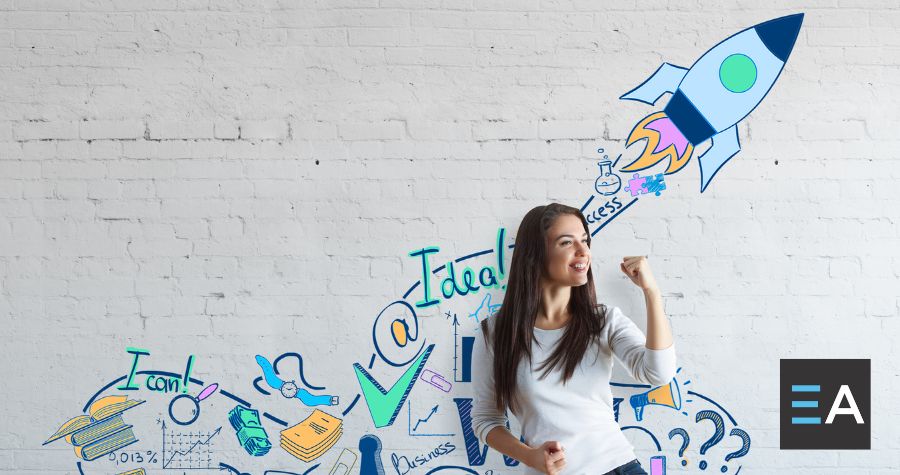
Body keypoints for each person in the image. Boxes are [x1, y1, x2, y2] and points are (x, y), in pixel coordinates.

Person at [471, 203, 677, 475]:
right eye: (567, 242)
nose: (583, 252)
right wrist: (530, 456)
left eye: (585, 240)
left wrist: (652, 293)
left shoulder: (603, 321)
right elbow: (486, 420)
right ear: (536, 254)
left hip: (618, 467)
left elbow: (658, 373)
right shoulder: (495, 334)